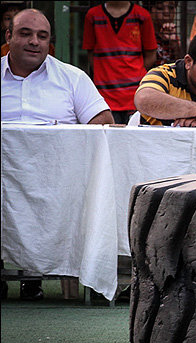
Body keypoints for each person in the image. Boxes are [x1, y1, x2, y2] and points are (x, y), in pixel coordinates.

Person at [1, 8, 113, 300]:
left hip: (58, 182)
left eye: (42, 36)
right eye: (25, 34)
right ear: (9, 36)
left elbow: (104, 122)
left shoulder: (72, 78)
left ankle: (35, 276)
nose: (34, 42)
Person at [83, 1, 158, 124]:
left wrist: (134, 73)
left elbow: (151, 54)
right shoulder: (93, 16)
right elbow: (90, 54)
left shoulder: (142, 16)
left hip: (135, 95)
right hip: (104, 96)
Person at [146, 0, 182, 68]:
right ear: (149, 10)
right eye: (160, 8)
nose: (167, 13)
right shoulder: (144, 34)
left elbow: (181, 65)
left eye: (171, 7)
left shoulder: (173, 34)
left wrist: (175, 44)